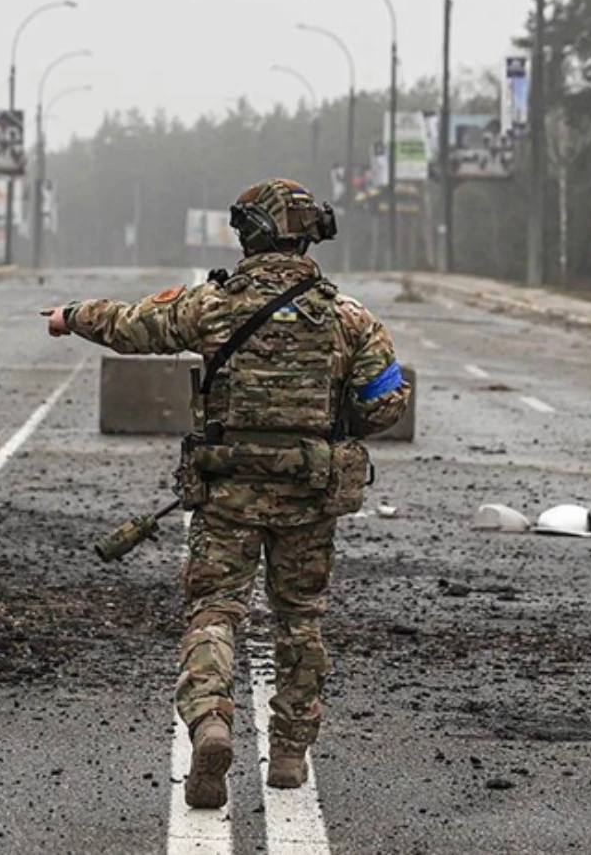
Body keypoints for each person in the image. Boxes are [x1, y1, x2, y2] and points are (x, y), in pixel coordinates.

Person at [40, 178, 409, 809]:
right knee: (300, 620)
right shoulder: (350, 319)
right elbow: (386, 404)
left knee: (215, 610)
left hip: (228, 491)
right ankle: (289, 755)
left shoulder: (212, 306)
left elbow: (132, 327)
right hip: (309, 495)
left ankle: (211, 720)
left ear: (250, 234)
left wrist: (70, 317)